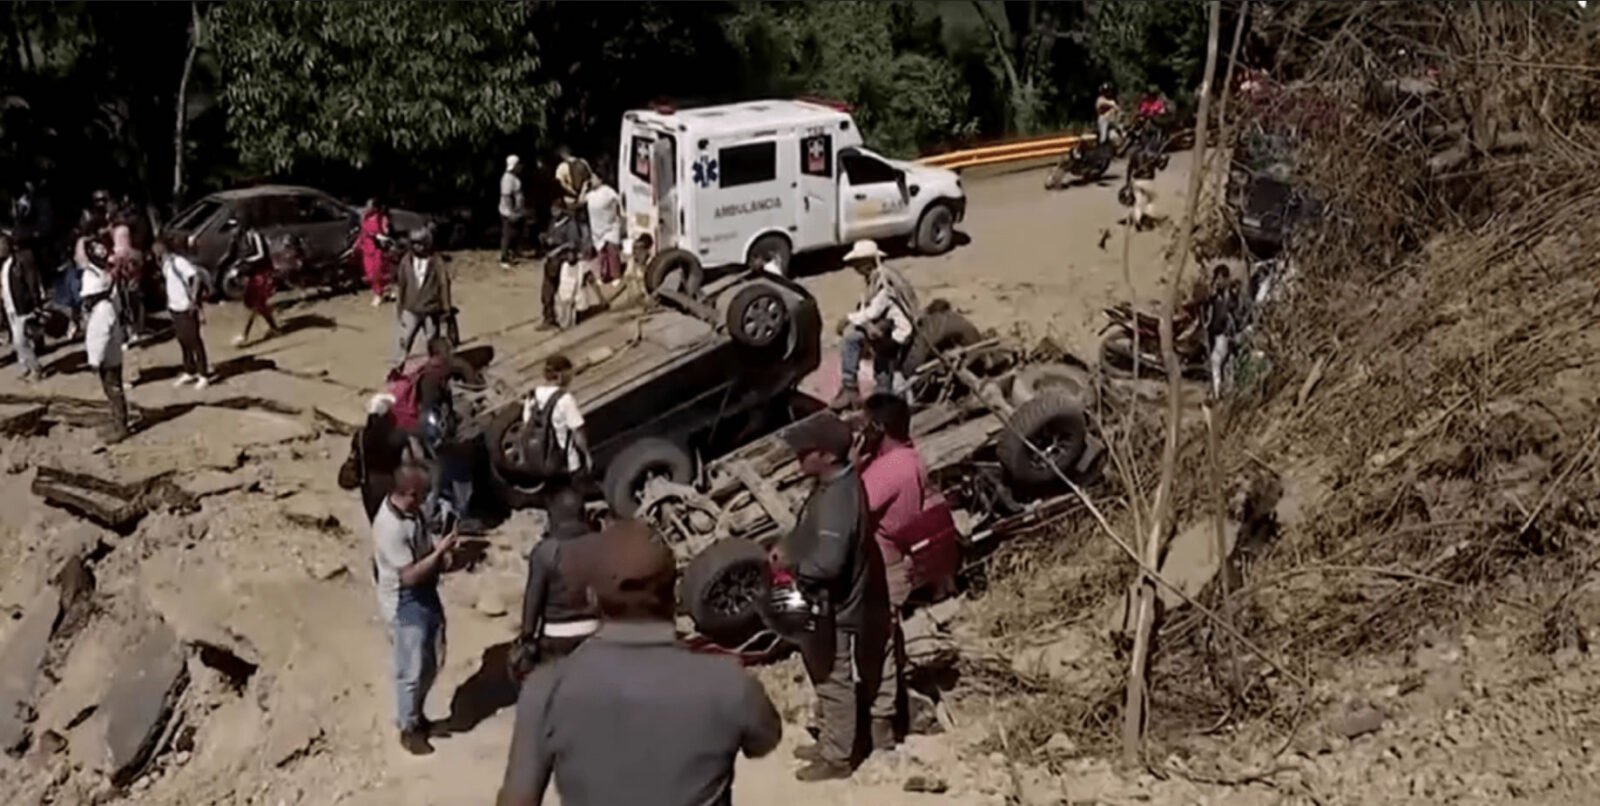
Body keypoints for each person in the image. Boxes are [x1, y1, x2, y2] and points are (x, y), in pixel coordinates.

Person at [497, 519, 783, 806]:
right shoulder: (729, 682)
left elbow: (518, 800)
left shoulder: (547, 688)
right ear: (674, 594)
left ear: (591, 597)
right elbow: (764, 741)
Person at [772, 414, 894, 781]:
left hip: (832, 607)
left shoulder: (838, 501)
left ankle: (838, 757)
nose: (798, 456)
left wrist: (791, 564)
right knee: (822, 674)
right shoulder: (830, 485)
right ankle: (830, 739)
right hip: (823, 603)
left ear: (826, 455)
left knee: (832, 679)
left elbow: (828, 563)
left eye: (805, 451)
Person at [372, 463, 460, 756]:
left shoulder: (413, 513)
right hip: (404, 602)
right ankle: (409, 728)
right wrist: (439, 553)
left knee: (432, 658)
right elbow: (408, 576)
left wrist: (440, 554)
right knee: (411, 668)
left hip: (425, 592)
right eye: (423, 493)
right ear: (410, 492)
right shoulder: (390, 527)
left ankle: (416, 713)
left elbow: (422, 550)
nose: (427, 499)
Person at [859, 393, 958, 610]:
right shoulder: (909, 456)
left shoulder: (889, 469)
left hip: (889, 566)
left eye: (864, 424)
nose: (860, 431)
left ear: (878, 427)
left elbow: (852, 509)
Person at [510, 485, 600, 680]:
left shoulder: (545, 551)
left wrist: (527, 637)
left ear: (553, 517)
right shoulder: (602, 545)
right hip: (595, 631)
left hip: (556, 636)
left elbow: (533, 601)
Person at [832, 240, 919, 410]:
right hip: (888, 327)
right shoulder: (875, 279)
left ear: (867, 263)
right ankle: (881, 393)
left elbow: (873, 311)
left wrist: (848, 318)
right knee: (876, 352)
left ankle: (851, 388)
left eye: (857, 263)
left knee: (852, 339)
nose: (855, 267)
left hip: (898, 334)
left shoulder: (884, 283)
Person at [80, 238, 131, 441]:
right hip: (110, 352)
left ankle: (120, 426)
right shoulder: (107, 300)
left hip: (108, 356)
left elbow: (100, 336)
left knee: (113, 389)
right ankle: (117, 421)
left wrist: (94, 360)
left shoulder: (102, 309)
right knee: (112, 389)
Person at [152, 236, 211, 388]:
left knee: (194, 340)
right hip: (175, 307)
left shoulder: (178, 262)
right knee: (183, 340)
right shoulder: (164, 265)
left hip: (186, 306)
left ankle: (203, 373)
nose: (154, 250)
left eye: (157, 247)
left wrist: (193, 299)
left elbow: (195, 277)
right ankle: (189, 370)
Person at [521, 354, 589, 480]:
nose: (571, 378)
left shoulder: (532, 395)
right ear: (560, 375)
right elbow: (578, 433)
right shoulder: (565, 399)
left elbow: (527, 422)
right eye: (569, 374)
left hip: (542, 461)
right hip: (567, 463)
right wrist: (587, 455)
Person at [393, 228, 452, 367]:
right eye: (414, 244)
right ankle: (397, 368)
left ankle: (435, 367)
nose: (418, 247)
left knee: (432, 341)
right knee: (404, 340)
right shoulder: (406, 261)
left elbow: (444, 284)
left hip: (431, 309)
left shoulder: (436, 261)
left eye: (420, 244)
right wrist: (400, 308)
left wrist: (446, 308)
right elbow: (401, 285)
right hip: (411, 308)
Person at [351, 392, 412, 522]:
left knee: (374, 518)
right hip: (390, 481)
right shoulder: (395, 434)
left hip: (368, 482)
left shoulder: (361, 435)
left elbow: (357, 455)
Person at [1, 231, 46, 381]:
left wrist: (35, 303)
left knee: (21, 340)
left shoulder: (20, 261)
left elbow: (31, 282)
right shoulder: (4, 265)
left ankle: (36, 369)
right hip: (10, 307)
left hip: (22, 307)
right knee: (17, 342)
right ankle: (26, 367)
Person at [225, 227, 280, 345]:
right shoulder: (239, 240)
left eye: (233, 228)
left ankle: (244, 334)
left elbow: (261, 254)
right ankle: (274, 328)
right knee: (256, 303)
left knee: (254, 302)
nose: (231, 231)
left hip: (263, 273)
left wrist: (244, 262)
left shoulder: (255, 236)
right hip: (255, 274)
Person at [539, 202, 586, 330]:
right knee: (547, 292)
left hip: (563, 263)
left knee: (566, 293)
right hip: (551, 262)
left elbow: (573, 243)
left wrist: (557, 244)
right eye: (552, 209)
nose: (554, 212)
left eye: (556, 209)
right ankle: (549, 318)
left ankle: (567, 319)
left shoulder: (570, 224)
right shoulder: (553, 223)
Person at [584, 175, 623, 284]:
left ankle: (616, 276)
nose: (592, 180)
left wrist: (616, 215)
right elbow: (580, 201)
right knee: (601, 254)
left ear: (600, 179)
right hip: (597, 229)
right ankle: (603, 275)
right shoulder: (590, 194)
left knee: (612, 252)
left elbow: (618, 201)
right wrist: (584, 188)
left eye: (594, 178)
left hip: (610, 227)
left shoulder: (608, 191)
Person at [358, 197, 394, 306]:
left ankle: (378, 293)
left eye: (369, 205)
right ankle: (384, 289)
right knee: (369, 273)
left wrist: (379, 235)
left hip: (377, 249)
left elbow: (386, 232)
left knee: (377, 272)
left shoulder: (382, 218)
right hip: (366, 248)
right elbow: (362, 232)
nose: (367, 207)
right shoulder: (364, 217)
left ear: (375, 208)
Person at [1125, 139, 1163, 230]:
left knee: (1138, 201)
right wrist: (1165, 160)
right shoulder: (1153, 155)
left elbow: (1129, 169)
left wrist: (1128, 182)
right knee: (1151, 200)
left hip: (1137, 180)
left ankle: (1137, 220)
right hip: (1148, 181)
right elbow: (1161, 167)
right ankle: (1147, 219)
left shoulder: (1135, 155)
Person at [500, 155, 525, 269]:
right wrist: (511, 211)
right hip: (509, 212)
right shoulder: (507, 178)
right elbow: (506, 196)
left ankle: (512, 255)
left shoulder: (514, 178)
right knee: (508, 235)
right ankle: (504, 258)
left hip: (516, 211)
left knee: (515, 234)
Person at [553, 146, 593, 213]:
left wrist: (573, 192)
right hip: (587, 195)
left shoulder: (561, 167)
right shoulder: (583, 161)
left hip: (571, 199)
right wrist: (583, 191)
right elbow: (590, 176)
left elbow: (560, 184)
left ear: (562, 155)